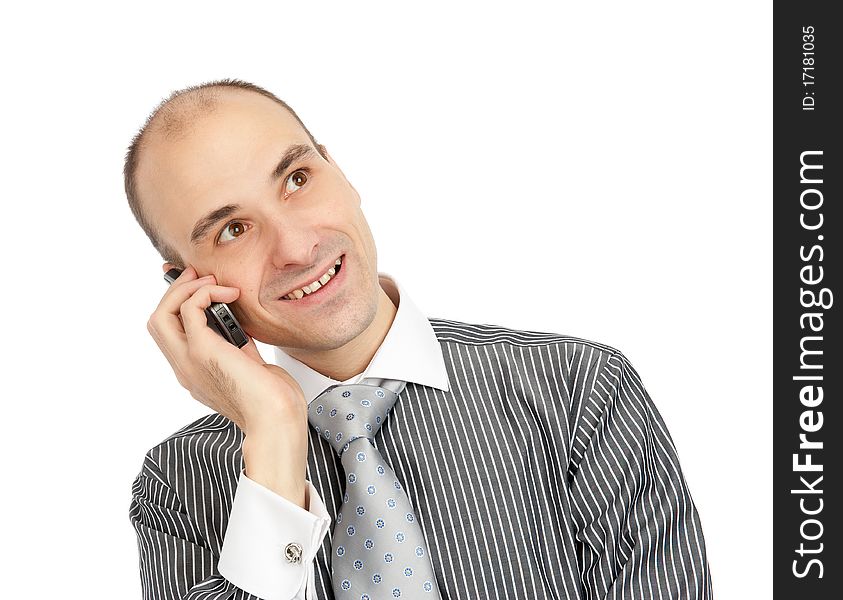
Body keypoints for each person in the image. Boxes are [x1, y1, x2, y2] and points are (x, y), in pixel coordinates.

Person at [126, 78, 713, 600]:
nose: (298, 249)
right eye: (233, 230)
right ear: (185, 286)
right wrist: (276, 433)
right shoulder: (177, 486)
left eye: (297, 179)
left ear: (341, 172)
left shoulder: (581, 393)